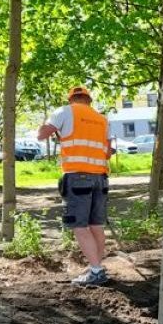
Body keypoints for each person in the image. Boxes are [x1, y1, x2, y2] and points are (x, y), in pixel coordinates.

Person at [38, 85, 113, 286]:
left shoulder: (64, 111)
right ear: (89, 100)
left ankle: (96, 272)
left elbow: (42, 135)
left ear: (72, 99)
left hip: (78, 176)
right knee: (96, 225)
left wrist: (48, 125)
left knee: (80, 226)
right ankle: (97, 267)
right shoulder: (102, 119)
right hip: (100, 178)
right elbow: (108, 152)